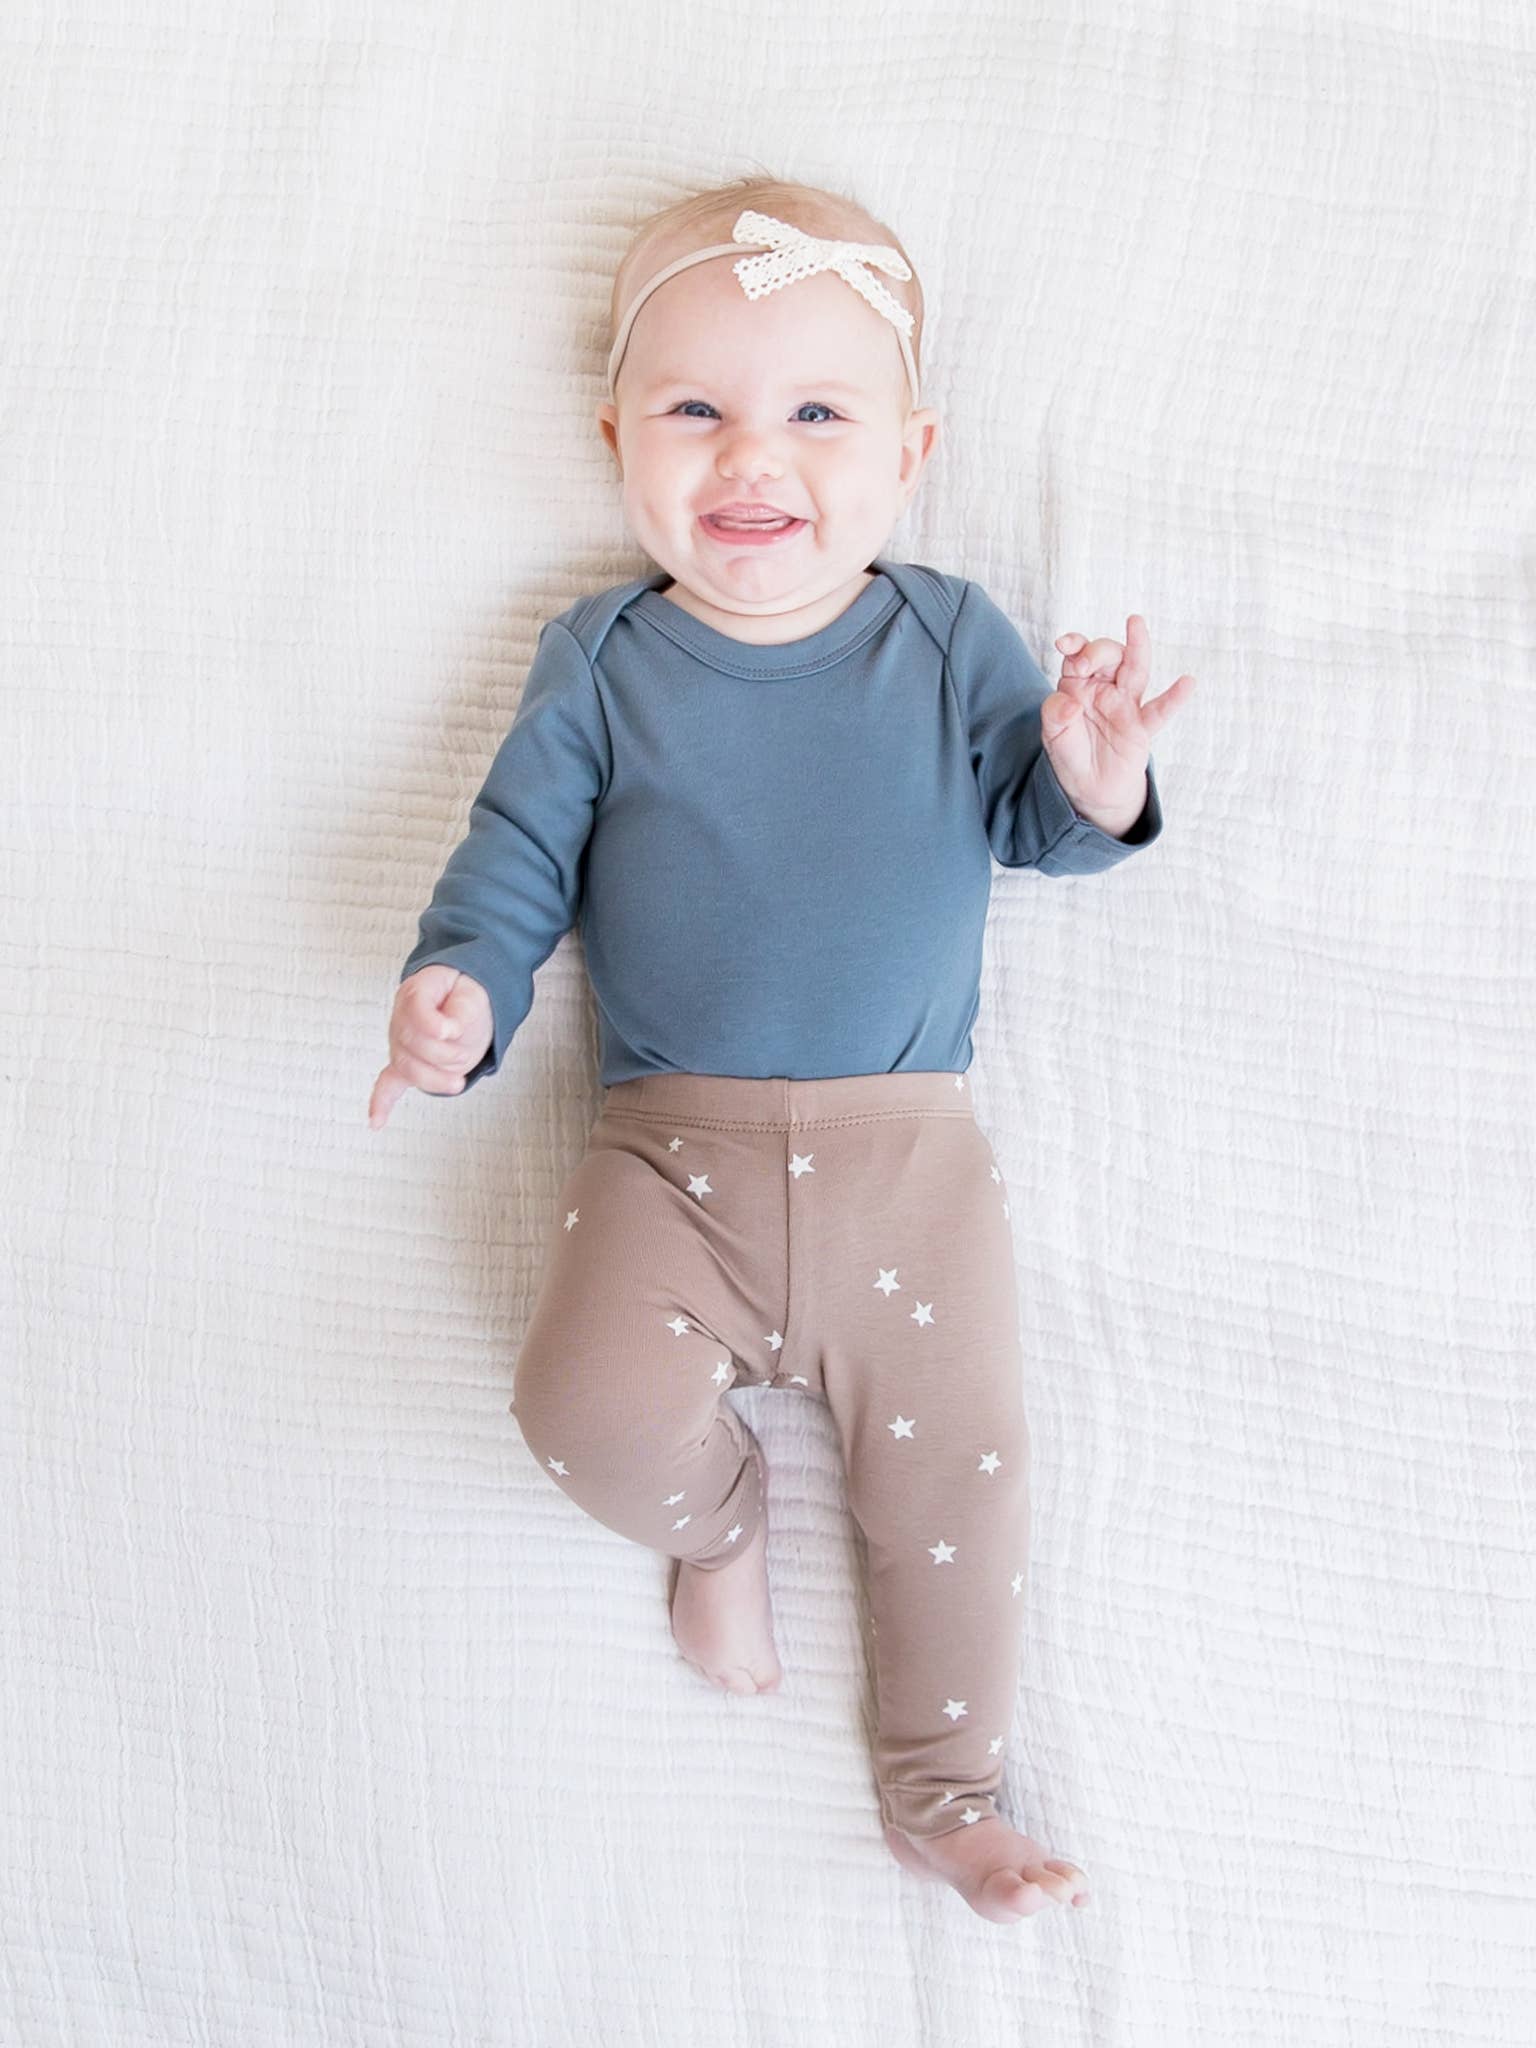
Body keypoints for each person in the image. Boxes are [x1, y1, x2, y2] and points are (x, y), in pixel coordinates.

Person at [367, 174, 1195, 1926]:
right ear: (617, 440)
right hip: (668, 1157)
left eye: (819, 414)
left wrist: (1097, 780)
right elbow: (516, 859)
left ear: (912, 455)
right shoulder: (601, 661)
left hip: (910, 1167)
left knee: (964, 1475)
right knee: (582, 1412)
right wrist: (464, 989)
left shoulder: (947, 636)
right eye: (695, 410)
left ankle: (945, 1798)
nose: (754, 455)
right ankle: (719, 1524)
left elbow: (1032, 826)